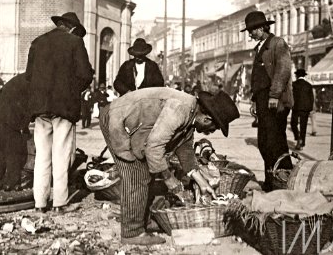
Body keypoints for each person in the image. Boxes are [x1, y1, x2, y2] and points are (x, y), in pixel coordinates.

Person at [99, 87, 240, 245]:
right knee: (136, 175)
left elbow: (185, 149)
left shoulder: (191, 114)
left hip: (133, 125)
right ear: (207, 119)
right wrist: (168, 178)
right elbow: (153, 148)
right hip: (116, 120)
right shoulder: (180, 109)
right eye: (214, 128)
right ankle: (132, 232)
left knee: (145, 172)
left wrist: (201, 182)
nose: (211, 132)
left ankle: (142, 219)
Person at [26, 12, 93, 212]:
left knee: (42, 156)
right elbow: (85, 75)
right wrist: (71, 91)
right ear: (72, 28)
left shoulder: (37, 42)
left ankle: (39, 203)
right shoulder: (75, 43)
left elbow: (29, 75)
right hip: (64, 107)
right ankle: (60, 202)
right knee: (62, 155)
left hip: (40, 108)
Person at [241, 10, 293, 191]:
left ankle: (283, 180)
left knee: (275, 142)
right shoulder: (260, 47)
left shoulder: (277, 44)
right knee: (265, 142)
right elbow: (257, 78)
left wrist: (274, 95)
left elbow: (283, 70)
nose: (250, 33)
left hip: (274, 101)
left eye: (253, 30)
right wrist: (255, 101)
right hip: (263, 100)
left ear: (263, 27)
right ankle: (272, 181)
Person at [0, 73, 31, 192]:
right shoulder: (36, 81)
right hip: (7, 115)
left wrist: (24, 126)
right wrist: (24, 126)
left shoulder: (26, 77)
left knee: (0, 152)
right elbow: (30, 108)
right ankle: (11, 184)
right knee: (15, 151)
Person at [290, 69, 314, 150]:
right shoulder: (309, 85)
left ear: (297, 76)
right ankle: (302, 142)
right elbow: (311, 98)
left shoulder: (293, 85)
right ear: (304, 76)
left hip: (296, 108)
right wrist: (310, 108)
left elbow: (291, 96)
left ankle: (297, 137)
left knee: (293, 123)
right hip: (305, 109)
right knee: (303, 126)